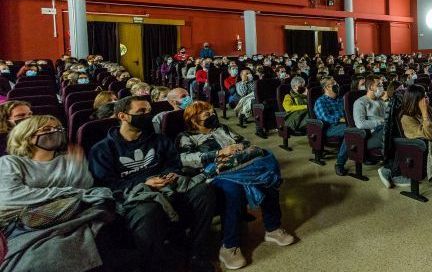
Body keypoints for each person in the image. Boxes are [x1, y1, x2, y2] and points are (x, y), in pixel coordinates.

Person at [88, 96, 216, 272]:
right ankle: (153, 265)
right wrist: (145, 182)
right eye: (141, 111)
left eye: (149, 111)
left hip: (168, 187)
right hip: (134, 196)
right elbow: (107, 184)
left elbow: (174, 164)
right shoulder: (102, 149)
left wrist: (170, 175)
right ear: (123, 116)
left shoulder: (159, 139)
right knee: (149, 210)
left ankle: (196, 253)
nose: (147, 115)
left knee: (204, 191)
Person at [177, 102, 295, 270]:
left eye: (212, 112)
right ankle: (229, 246)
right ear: (194, 120)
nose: (212, 115)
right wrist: (219, 153)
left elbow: (243, 141)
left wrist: (240, 147)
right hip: (215, 173)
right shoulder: (186, 137)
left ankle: (273, 228)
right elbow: (185, 159)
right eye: (206, 114)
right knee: (233, 190)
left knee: (267, 179)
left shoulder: (222, 128)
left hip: (240, 165)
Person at [0, 116, 122, 272]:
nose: (55, 132)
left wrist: (77, 166)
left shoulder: (68, 160)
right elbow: (10, 196)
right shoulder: (11, 162)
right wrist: (68, 192)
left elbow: (85, 188)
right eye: (47, 129)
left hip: (72, 214)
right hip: (29, 222)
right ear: (28, 136)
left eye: (58, 128)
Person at [346, 75, 388, 171]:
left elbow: (387, 117)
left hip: (383, 130)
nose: (382, 87)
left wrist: (387, 101)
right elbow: (360, 124)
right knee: (391, 133)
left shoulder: (381, 101)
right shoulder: (360, 102)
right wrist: (381, 122)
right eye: (379, 85)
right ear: (370, 87)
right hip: (371, 135)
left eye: (382, 84)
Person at [313, 77, 348, 176]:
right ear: (327, 87)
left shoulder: (340, 99)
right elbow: (326, 118)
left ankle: (362, 155)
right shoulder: (321, 101)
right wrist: (342, 119)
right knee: (350, 130)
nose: (337, 85)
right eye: (333, 84)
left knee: (356, 128)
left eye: (336, 83)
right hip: (329, 128)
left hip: (344, 124)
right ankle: (339, 163)